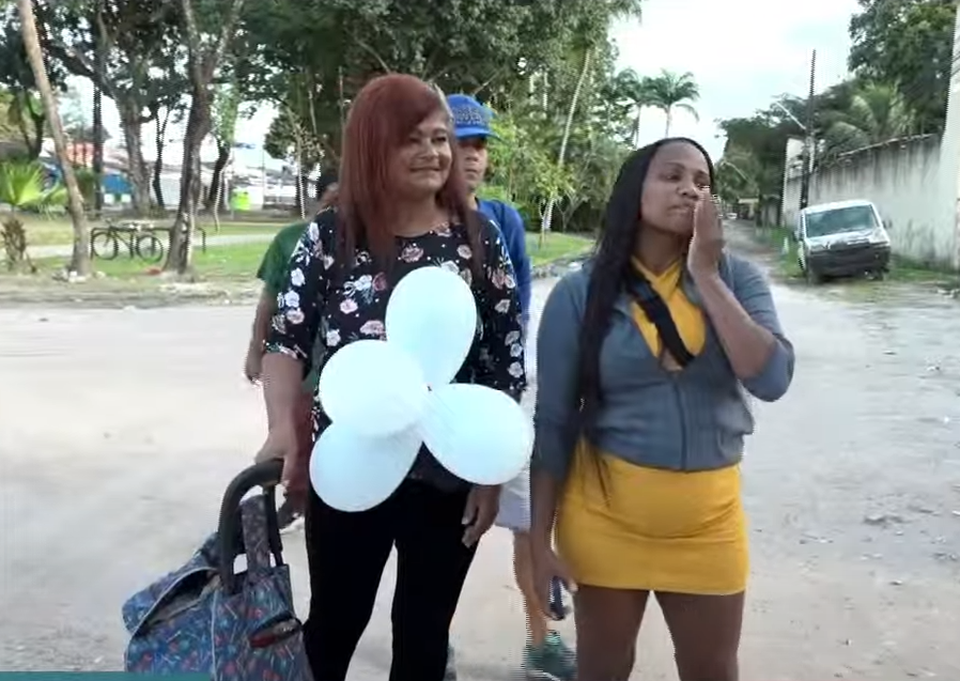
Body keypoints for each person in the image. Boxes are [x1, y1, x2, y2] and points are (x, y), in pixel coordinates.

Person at [257, 73, 526, 681]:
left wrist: (491, 474)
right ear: (372, 145)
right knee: (332, 625)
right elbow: (284, 339)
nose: (434, 153)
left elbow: (504, 360)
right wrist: (283, 429)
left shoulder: (478, 241)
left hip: (448, 474)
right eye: (413, 139)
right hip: (350, 463)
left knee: (425, 634)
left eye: (441, 139)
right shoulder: (331, 236)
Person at [529, 138, 795, 681]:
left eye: (701, 181)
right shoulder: (580, 294)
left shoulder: (737, 278)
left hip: (708, 523)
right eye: (672, 175)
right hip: (603, 520)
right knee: (604, 669)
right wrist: (538, 542)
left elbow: (771, 378)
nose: (690, 188)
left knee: (712, 670)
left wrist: (708, 276)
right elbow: (553, 423)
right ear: (635, 191)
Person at [444, 92, 574, 681]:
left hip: (502, 395)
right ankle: (431, 638)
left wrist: (501, 389)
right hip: (439, 405)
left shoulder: (504, 222)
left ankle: (539, 639)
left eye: (479, 146)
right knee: (441, 531)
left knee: (525, 520)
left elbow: (514, 315)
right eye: (459, 143)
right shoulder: (403, 223)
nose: (470, 157)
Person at [244, 173, 338, 532]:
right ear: (318, 201)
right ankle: (289, 500)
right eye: (332, 199)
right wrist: (256, 349)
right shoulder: (289, 240)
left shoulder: (363, 241)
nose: (338, 207)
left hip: (327, 365)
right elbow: (269, 301)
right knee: (285, 432)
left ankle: (312, 501)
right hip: (289, 357)